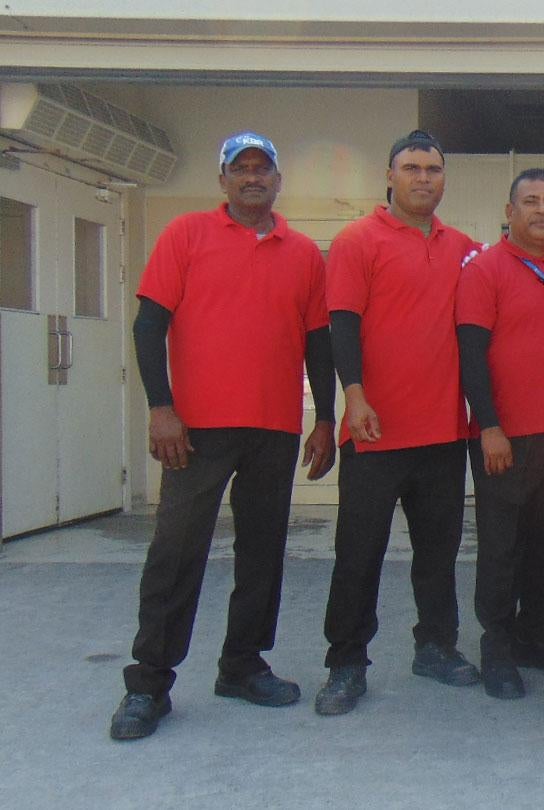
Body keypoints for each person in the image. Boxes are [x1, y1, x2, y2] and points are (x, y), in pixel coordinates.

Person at [110, 132, 335, 741]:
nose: (253, 178)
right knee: (176, 553)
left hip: (273, 427)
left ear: (278, 181)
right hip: (196, 430)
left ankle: (242, 665)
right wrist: (162, 408)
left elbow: (319, 339)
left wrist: (325, 418)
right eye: (242, 169)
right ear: (224, 181)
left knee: (261, 553)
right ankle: (148, 684)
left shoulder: (304, 254)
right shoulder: (186, 235)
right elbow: (149, 322)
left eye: (264, 169)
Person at [314, 130, 478, 716]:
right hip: (374, 433)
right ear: (389, 176)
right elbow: (341, 326)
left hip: (442, 435)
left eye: (433, 169)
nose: (423, 178)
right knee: (358, 554)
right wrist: (352, 397)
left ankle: (436, 646)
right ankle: (345, 664)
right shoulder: (358, 241)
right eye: (411, 168)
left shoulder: (464, 248)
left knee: (438, 556)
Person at [456, 168, 544, 699]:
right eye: (529, 201)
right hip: (505, 436)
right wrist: (488, 425)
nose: (541, 211)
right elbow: (470, 353)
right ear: (509, 212)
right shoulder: (484, 269)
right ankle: (498, 649)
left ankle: (539, 637)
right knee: (502, 547)